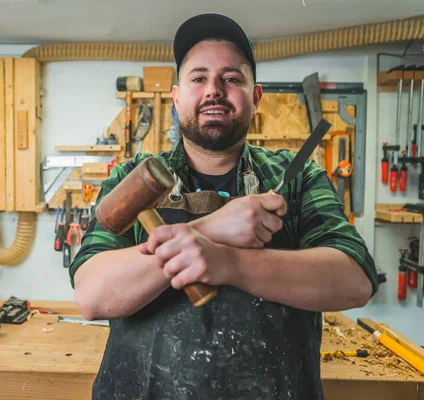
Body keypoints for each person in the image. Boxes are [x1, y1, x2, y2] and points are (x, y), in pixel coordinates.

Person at [69, 13, 378, 400]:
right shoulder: (132, 178)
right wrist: (209, 229)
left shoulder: (297, 178)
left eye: (231, 79)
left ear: (256, 97)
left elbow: (356, 281)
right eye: (198, 78)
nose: (213, 90)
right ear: (177, 96)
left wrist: (230, 264)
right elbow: (92, 296)